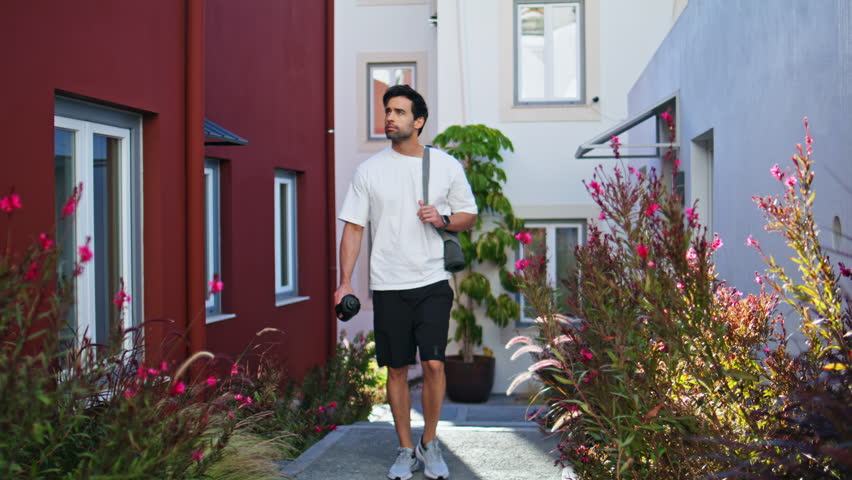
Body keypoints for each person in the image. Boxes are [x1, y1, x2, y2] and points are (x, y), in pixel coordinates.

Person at [335, 84, 477, 480]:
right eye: (387, 111)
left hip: (432, 279)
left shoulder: (446, 165)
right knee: (396, 368)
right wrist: (344, 282)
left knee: (433, 363)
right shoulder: (369, 171)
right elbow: (353, 229)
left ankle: (429, 443)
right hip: (388, 284)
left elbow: (469, 215)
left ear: (419, 121)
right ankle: (403, 449)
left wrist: (442, 219)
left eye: (399, 112)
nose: (390, 118)